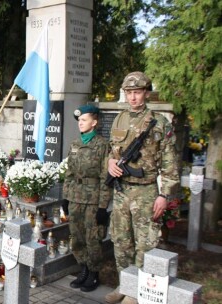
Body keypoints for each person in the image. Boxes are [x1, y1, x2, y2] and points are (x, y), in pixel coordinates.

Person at [105, 72, 179, 304]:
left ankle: (138, 292)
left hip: (146, 192)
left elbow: (169, 162)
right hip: (121, 190)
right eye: (129, 93)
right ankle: (124, 284)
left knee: (145, 244)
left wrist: (164, 194)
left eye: (137, 92)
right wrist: (109, 162)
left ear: (146, 93)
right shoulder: (119, 119)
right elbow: (112, 150)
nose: (133, 97)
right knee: (121, 241)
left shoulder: (158, 122)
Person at [61, 104, 111, 293]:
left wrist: (102, 207)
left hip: (93, 200)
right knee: (77, 237)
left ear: (94, 122)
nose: (80, 123)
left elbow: (106, 178)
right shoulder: (75, 144)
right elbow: (69, 173)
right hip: (75, 198)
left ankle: (94, 273)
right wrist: (66, 198)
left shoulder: (102, 146)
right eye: (79, 120)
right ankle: (83, 269)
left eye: (84, 120)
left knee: (93, 239)